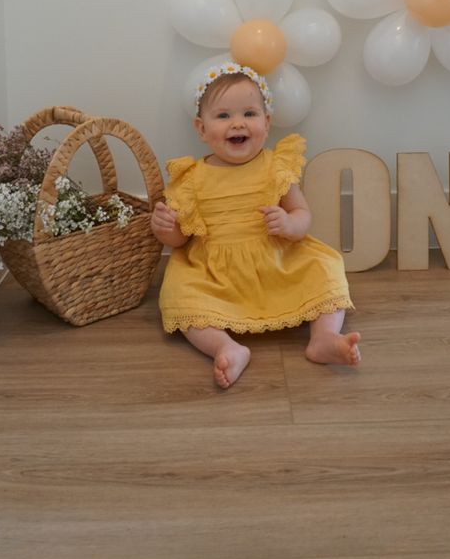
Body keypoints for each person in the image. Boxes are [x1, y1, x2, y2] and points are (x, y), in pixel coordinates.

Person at [151, 61, 361, 389]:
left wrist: (290, 224)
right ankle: (226, 347)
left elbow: (303, 213)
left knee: (325, 268)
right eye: (223, 116)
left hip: (276, 258)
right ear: (201, 128)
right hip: (214, 270)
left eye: (249, 114)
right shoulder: (191, 179)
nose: (238, 123)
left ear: (267, 122)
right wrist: (166, 229)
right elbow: (180, 240)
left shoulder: (275, 167)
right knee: (178, 293)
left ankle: (324, 337)